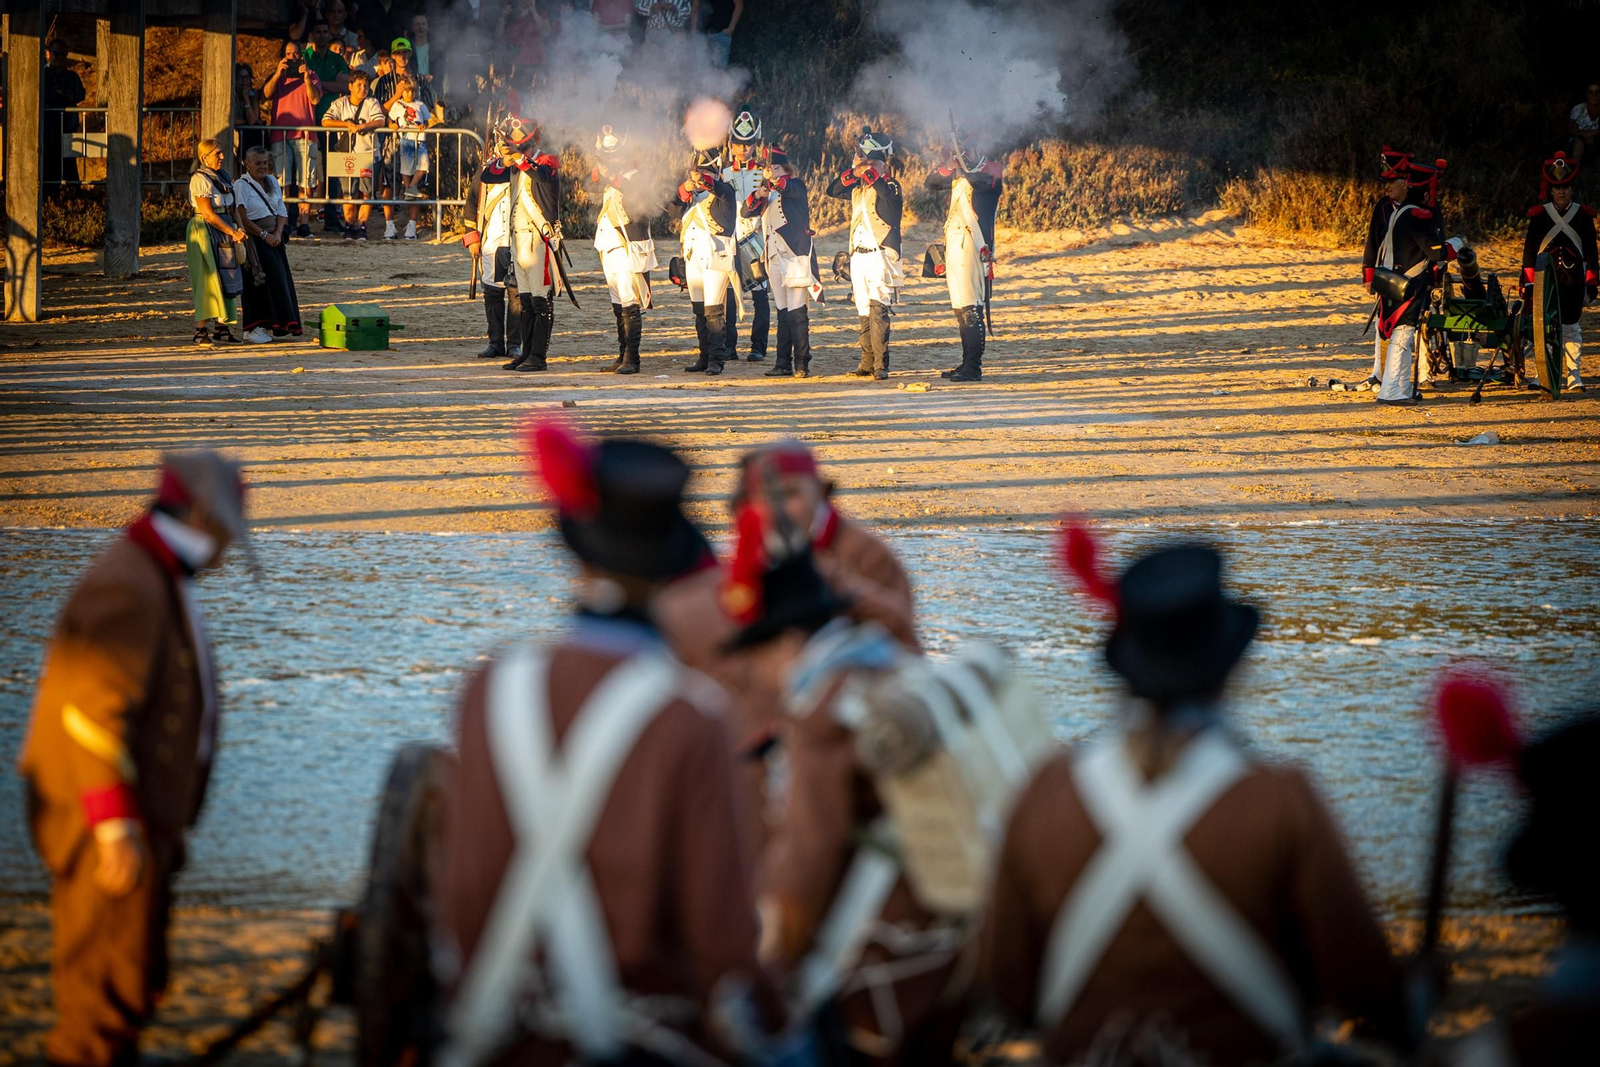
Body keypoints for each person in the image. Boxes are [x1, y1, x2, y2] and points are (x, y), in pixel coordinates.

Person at [980, 536, 1415, 1064]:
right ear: (1230, 669)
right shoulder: (1282, 801)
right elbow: (1360, 987)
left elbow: (1007, 986)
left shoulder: (1044, 792)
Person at [433, 422, 782, 1064]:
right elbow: (721, 938)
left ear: (581, 556)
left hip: (500, 1025)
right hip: (641, 1037)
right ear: (675, 570)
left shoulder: (488, 687)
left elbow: (460, 884)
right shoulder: (691, 718)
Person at [18, 450, 249, 1067]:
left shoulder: (149, 570)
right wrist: (115, 825)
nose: (232, 539)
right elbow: (89, 713)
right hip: (110, 836)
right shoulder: (130, 583)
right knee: (101, 1007)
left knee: (129, 984)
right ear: (201, 513)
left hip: (133, 828)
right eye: (230, 521)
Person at [722, 504, 968, 1066]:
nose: (755, 676)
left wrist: (769, 977)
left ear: (785, 642)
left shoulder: (823, 717)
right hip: (957, 951)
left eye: (755, 655)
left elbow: (805, 863)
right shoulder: (887, 665)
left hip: (893, 972)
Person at [735, 440, 917, 649]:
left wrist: (838, 585)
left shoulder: (867, 552)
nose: (778, 510)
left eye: (790, 493)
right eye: (764, 497)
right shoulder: (753, 556)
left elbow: (905, 644)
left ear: (820, 491)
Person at [1360, 147, 1451, 406]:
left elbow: (1435, 236)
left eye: (1392, 181)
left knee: (1407, 333)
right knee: (1398, 333)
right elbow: (1375, 241)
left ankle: (1405, 384)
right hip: (1400, 280)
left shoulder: (1416, 210)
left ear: (1405, 183)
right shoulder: (1408, 212)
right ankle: (1390, 387)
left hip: (1404, 278)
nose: (1387, 186)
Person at [924, 122, 1003, 382]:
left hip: (973, 246)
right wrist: (951, 163)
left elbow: (979, 183)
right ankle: (965, 363)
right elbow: (932, 183)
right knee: (960, 308)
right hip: (955, 247)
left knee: (971, 308)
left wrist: (964, 160)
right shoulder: (961, 175)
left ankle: (973, 367)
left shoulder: (991, 173)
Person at [827, 128, 903, 381]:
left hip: (879, 254)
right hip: (857, 256)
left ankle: (882, 365)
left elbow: (887, 198)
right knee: (862, 309)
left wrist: (868, 172)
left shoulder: (890, 185)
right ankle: (867, 362)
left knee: (878, 308)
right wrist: (853, 171)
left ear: (883, 165)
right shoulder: (857, 187)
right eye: (865, 161)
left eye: (873, 163)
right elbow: (833, 189)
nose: (867, 167)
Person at [742, 145, 819, 377]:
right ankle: (782, 362)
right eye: (768, 167)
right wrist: (757, 195)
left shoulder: (796, 184)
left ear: (784, 167)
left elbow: (788, 188)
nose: (771, 170)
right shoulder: (767, 192)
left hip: (794, 255)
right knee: (782, 311)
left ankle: (802, 363)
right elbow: (745, 213)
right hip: (773, 256)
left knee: (797, 311)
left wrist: (773, 182)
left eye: (775, 166)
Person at [1522, 152, 1595, 394]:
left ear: (1572, 190)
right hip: (1546, 281)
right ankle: (1540, 375)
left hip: (1573, 280)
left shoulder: (1583, 215)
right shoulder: (1539, 216)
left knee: (1571, 327)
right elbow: (1530, 252)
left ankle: (1575, 378)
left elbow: (1591, 252)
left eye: (1565, 187)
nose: (1562, 192)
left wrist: (1591, 282)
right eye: (1557, 188)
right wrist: (1530, 283)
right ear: (1550, 191)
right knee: (1543, 329)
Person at [502, 106, 566, 373]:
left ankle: (538, 356)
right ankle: (526, 352)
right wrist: (505, 156)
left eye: (524, 147)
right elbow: (488, 174)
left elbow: (540, 174)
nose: (522, 152)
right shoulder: (517, 165)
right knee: (526, 300)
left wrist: (518, 159)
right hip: (520, 242)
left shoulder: (548, 162)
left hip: (540, 241)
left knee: (541, 300)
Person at [592, 124, 659, 375]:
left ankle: (633, 358)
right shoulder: (613, 177)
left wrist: (614, 177)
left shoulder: (636, 176)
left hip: (628, 248)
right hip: (609, 246)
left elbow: (640, 204)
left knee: (630, 302)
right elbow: (589, 184)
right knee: (618, 303)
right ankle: (622, 355)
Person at [667, 148, 738, 376]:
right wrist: (685, 189)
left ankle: (717, 360)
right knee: (699, 310)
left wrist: (704, 180)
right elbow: (673, 210)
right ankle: (704, 356)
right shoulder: (694, 197)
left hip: (715, 257)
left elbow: (716, 187)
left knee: (714, 311)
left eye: (706, 172)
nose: (699, 177)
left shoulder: (725, 192)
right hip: (693, 258)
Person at [234, 146, 305, 342]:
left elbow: (281, 210)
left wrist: (277, 233)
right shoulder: (242, 185)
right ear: (247, 164)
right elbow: (241, 215)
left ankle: (273, 324)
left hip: (274, 238)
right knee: (258, 281)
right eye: (258, 163)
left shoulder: (272, 181)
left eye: (265, 163)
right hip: (256, 239)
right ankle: (252, 326)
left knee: (279, 281)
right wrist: (264, 234)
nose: (262, 167)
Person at [185, 139, 247, 345]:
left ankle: (222, 328)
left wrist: (239, 229)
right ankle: (200, 330)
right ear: (204, 157)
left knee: (227, 273)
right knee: (207, 276)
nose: (221, 157)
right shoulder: (200, 179)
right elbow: (208, 214)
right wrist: (231, 230)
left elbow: (233, 208)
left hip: (224, 228)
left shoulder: (224, 177)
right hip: (204, 230)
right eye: (217, 153)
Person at [263, 40, 324, 238]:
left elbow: (315, 99)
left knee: (305, 181)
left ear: (301, 56)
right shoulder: (277, 77)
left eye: (296, 53)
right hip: (280, 135)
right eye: (288, 53)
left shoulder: (312, 75)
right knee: (282, 182)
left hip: (306, 135)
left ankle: (304, 223)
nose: (292, 57)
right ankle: (285, 222)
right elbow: (265, 94)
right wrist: (277, 74)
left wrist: (306, 79)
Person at [472, 133, 523, 363]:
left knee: (516, 294)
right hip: (492, 238)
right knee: (492, 293)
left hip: (517, 239)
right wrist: (472, 238)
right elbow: (472, 201)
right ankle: (495, 343)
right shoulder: (488, 169)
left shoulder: (523, 167)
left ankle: (514, 345)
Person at [723, 107, 769, 363]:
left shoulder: (764, 172)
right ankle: (729, 346)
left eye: (748, 144)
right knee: (729, 295)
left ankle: (758, 347)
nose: (743, 149)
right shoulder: (723, 173)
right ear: (731, 144)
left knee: (760, 296)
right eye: (739, 144)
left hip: (757, 238)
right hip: (731, 239)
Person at [322, 69, 386, 241]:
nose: (362, 88)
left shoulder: (372, 102)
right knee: (349, 193)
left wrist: (361, 127)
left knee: (366, 193)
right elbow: (325, 120)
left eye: (365, 85)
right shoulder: (339, 103)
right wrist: (346, 124)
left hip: (368, 155)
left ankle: (362, 225)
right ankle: (350, 226)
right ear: (350, 86)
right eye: (358, 85)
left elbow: (380, 121)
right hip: (347, 156)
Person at [387, 76, 435, 232]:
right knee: (406, 168)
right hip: (406, 140)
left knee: (423, 166)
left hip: (419, 141)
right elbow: (389, 119)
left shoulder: (420, 105)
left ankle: (411, 187)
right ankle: (408, 186)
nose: (409, 94)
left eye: (411, 91)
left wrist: (424, 126)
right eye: (406, 91)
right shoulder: (397, 105)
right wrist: (392, 125)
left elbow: (427, 120)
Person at [43, 38, 86, 188]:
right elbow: (45, 95)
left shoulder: (71, 76)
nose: (59, 57)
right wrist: (65, 96)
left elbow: (80, 94)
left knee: (69, 160)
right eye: (56, 53)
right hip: (47, 127)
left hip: (68, 125)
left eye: (63, 54)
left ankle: (73, 193)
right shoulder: (42, 75)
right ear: (48, 54)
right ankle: (49, 193)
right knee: (48, 160)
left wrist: (63, 94)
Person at [696, 0, 743, 69]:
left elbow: (739, 5)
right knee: (700, 68)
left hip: (721, 35)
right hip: (702, 35)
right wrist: (695, 30)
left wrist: (731, 28)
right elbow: (695, 6)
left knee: (719, 69)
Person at [1568, 84, 1600, 164]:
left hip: (1596, 140)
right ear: (1587, 95)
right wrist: (1583, 134)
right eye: (1591, 92)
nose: (1594, 95)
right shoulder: (1578, 108)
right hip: (1580, 139)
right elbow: (1571, 128)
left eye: (1597, 92)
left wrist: (1592, 134)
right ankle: (1575, 169)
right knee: (1578, 142)